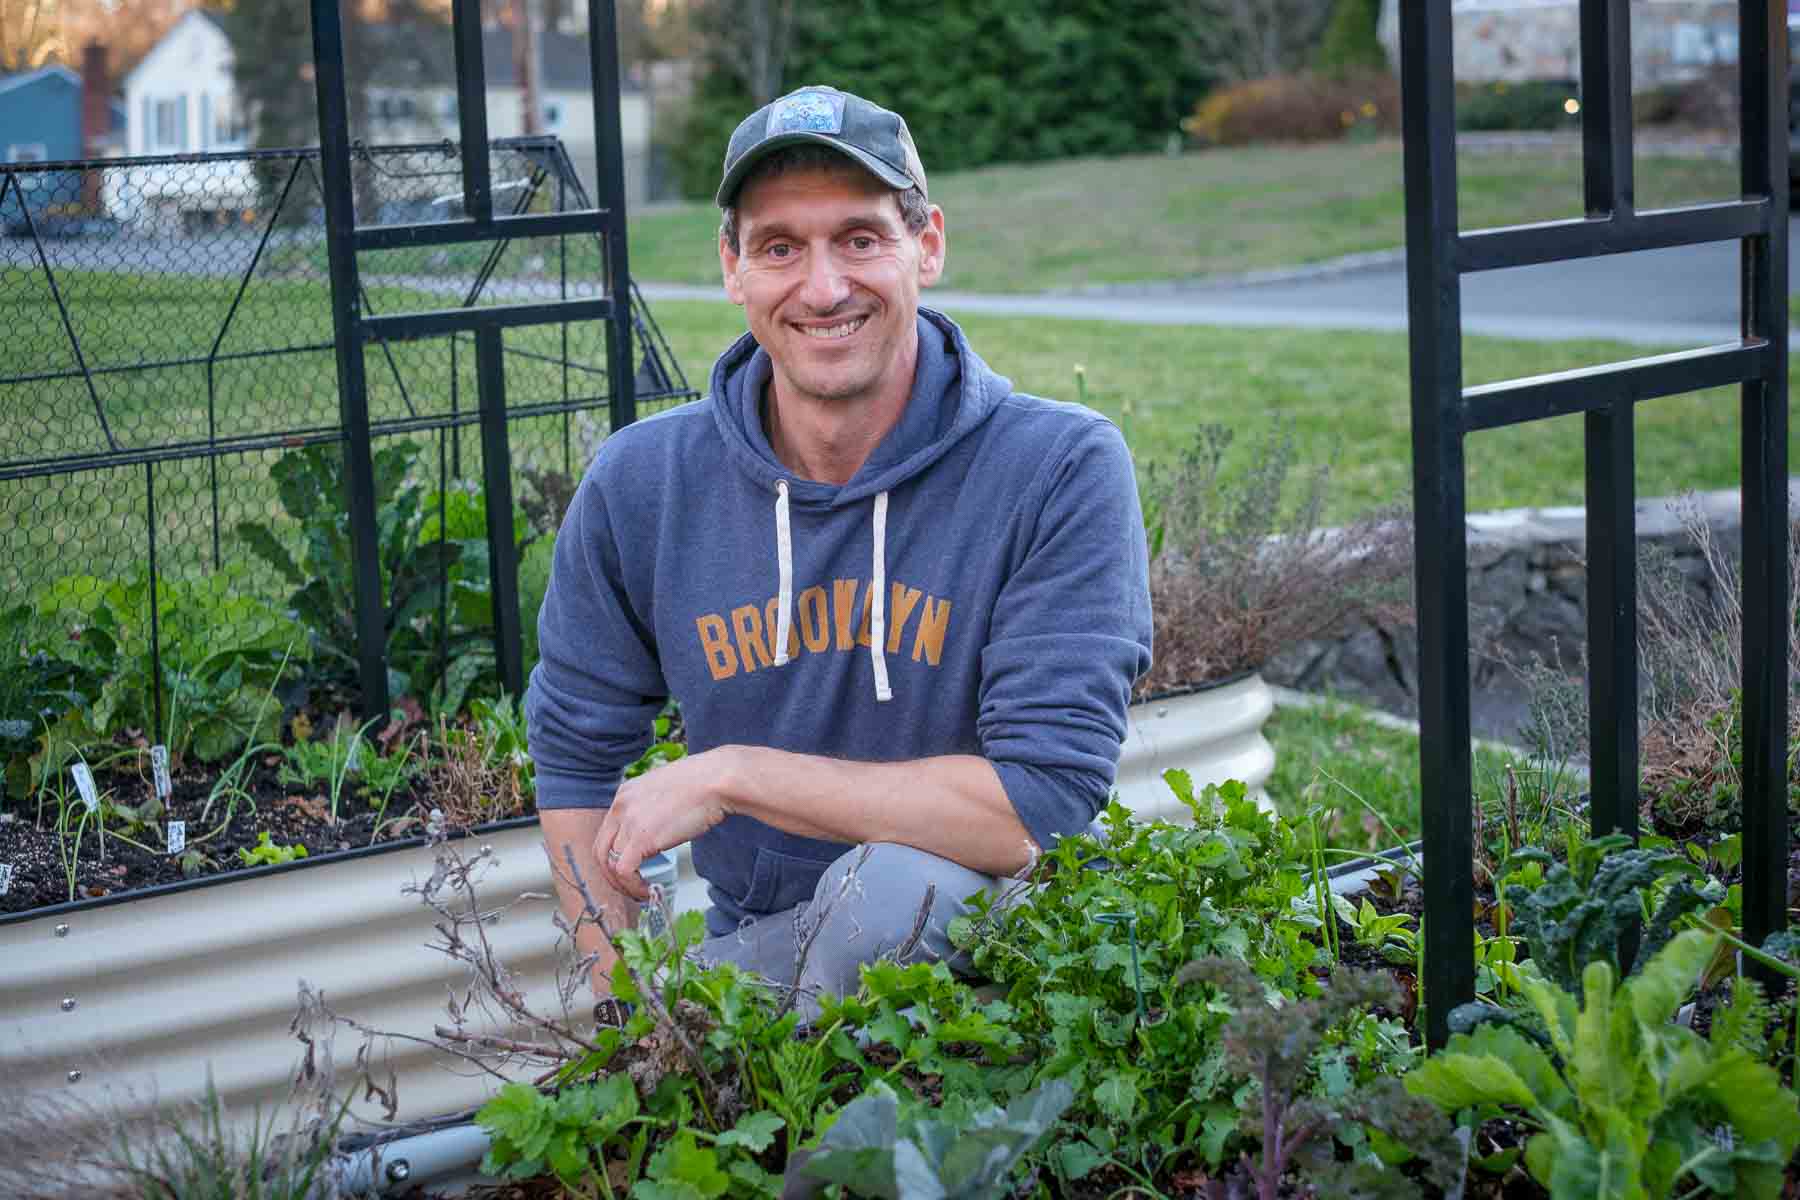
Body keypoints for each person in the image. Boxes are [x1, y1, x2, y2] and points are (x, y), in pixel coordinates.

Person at [525, 84, 1152, 1017]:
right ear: (734, 268)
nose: (823, 289)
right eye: (780, 247)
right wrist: (630, 1011)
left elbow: (1041, 805)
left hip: (1006, 959)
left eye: (860, 239)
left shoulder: (1057, 467)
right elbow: (575, 754)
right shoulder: (645, 481)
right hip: (758, 940)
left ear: (927, 245)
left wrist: (734, 775)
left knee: (885, 898)